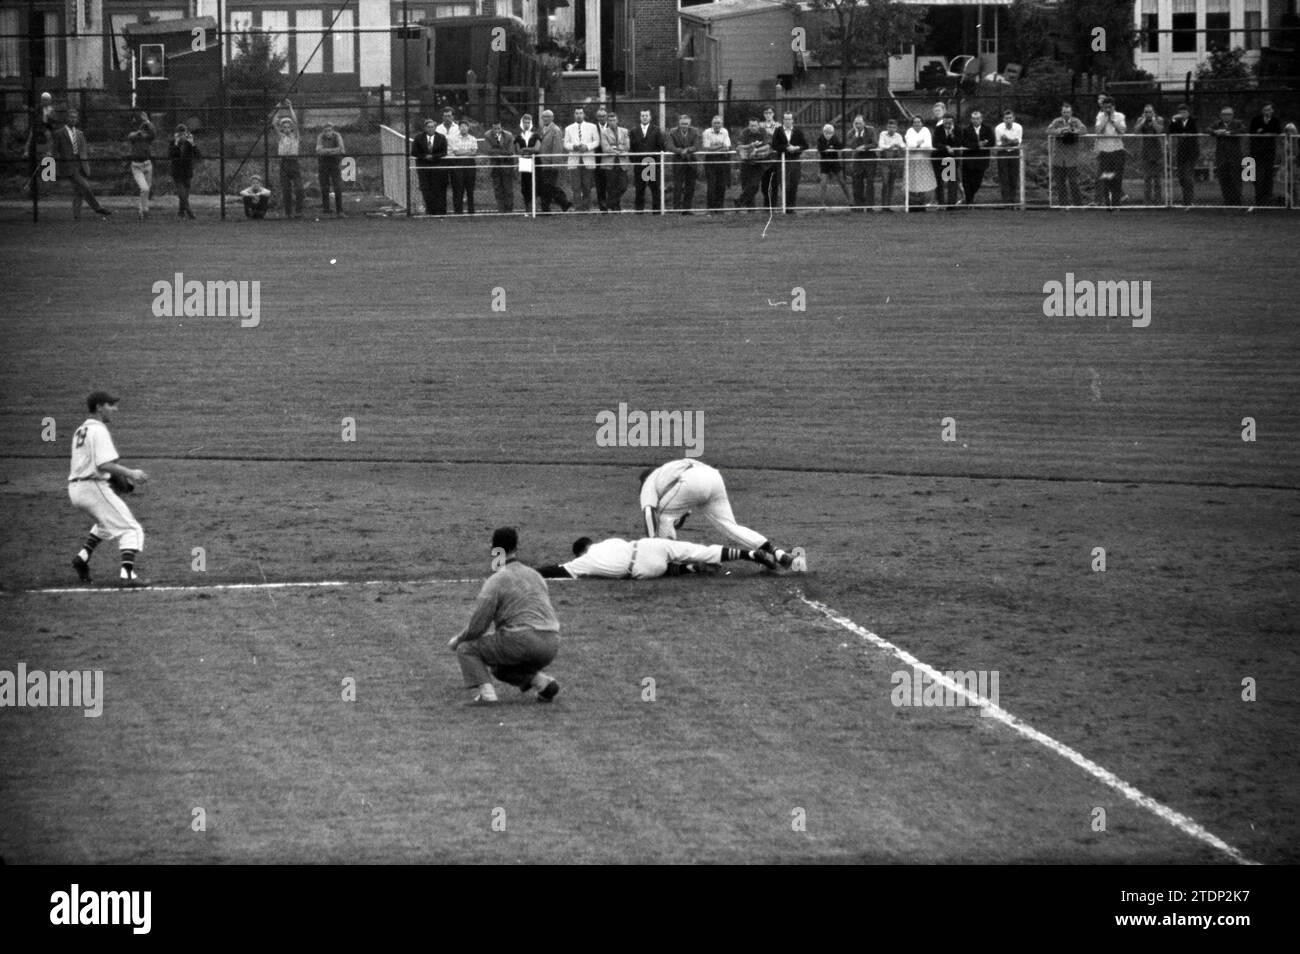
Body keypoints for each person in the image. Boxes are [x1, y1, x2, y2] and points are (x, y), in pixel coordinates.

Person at [448, 527, 561, 705]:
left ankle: (487, 696)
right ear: (517, 546)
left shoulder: (497, 580)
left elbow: (478, 626)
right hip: (551, 643)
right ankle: (544, 685)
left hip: (523, 640)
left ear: (493, 549)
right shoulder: (536, 575)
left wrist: (458, 640)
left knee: (467, 649)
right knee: (500, 669)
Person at [638, 458, 805, 571]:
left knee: (661, 516)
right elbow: (678, 520)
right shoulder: (668, 472)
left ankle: (667, 560)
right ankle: (776, 553)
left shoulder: (650, 483)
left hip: (691, 481)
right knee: (730, 526)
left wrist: (652, 543)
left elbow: (648, 514)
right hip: (713, 477)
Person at [67, 391, 150, 588]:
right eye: (110, 405)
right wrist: (131, 473)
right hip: (92, 487)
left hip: (76, 490)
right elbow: (104, 464)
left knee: (106, 523)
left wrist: (117, 482)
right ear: (98, 407)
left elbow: (94, 463)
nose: (115, 409)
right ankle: (127, 575)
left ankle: (82, 557)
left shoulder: (81, 430)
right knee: (131, 529)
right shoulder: (98, 430)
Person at [537, 535, 778, 580]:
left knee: (660, 570)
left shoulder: (583, 562)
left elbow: (554, 571)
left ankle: (691, 570)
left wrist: (530, 572)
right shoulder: (608, 542)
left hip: (641, 568)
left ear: (581, 551)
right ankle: (747, 554)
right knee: (700, 549)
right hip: (648, 545)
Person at [52, 109, 111, 219]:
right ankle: (97, 208)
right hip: (69, 166)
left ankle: (77, 216)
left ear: (77, 119)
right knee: (85, 186)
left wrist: (86, 165)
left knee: (79, 191)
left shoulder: (80, 134)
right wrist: (52, 167)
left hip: (80, 165)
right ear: (67, 118)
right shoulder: (59, 133)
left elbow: (83, 150)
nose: (73, 119)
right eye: (71, 117)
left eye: (75, 117)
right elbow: (54, 151)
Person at [1047, 103, 1087, 206]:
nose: (1066, 114)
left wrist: (1072, 131)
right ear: (1061, 112)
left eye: (1068, 112)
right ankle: (1063, 205)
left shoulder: (1076, 121)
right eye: (1064, 112)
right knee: (1060, 183)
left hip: (1071, 158)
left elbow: (1084, 130)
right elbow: (1048, 130)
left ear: (1071, 112)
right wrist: (1060, 131)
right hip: (1058, 157)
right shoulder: (1057, 121)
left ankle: (1078, 205)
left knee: (1073, 182)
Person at [628, 108, 665, 212]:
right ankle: (639, 210)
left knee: (654, 187)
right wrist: (635, 160)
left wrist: (654, 159)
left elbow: (661, 146)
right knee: (640, 187)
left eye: (646, 115)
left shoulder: (656, 130)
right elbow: (631, 147)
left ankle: (656, 210)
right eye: (643, 115)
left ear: (650, 117)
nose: (644, 117)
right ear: (640, 117)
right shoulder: (634, 130)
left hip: (652, 163)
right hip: (640, 163)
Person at [563, 106, 599, 211]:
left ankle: (586, 206)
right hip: (574, 160)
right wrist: (574, 147)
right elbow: (566, 144)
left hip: (588, 159)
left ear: (584, 114)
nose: (579, 115)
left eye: (580, 113)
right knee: (576, 186)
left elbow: (596, 141)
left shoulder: (592, 127)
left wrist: (587, 147)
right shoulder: (568, 128)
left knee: (587, 185)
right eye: (577, 113)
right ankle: (578, 207)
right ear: (574, 115)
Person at [272, 100, 304, 218]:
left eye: (288, 126)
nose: (286, 128)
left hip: (294, 162)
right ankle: (288, 212)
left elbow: (296, 123)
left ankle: (299, 211)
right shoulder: (281, 137)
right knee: (286, 190)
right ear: (282, 128)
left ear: (291, 127)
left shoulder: (295, 136)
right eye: (284, 126)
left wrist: (290, 108)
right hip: (284, 163)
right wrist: (278, 110)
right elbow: (274, 123)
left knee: (299, 188)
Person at [1093, 96, 1127, 207]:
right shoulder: (1100, 116)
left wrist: (1112, 121)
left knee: (1117, 179)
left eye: (1109, 107)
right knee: (1107, 178)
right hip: (1105, 152)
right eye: (1105, 107)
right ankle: (1108, 204)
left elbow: (1122, 131)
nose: (1107, 109)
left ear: (1113, 106)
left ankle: (1116, 204)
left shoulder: (1120, 116)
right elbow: (1098, 131)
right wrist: (1105, 119)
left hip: (1117, 151)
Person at [771, 112, 808, 212]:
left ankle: (792, 207)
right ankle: (786, 206)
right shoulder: (778, 131)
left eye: (789, 119)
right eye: (786, 119)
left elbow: (805, 145)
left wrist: (796, 148)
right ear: (783, 120)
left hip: (795, 160)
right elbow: (774, 145)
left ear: (792, 120)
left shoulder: (798, 132)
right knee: (784, 183)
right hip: (782, 160)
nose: (788, 121)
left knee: (794, 182)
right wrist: (786, 148)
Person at [1210, 106, 1247, 206]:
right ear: (1221, 115)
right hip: (1222, 155)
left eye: (1229, 114)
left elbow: (1243, 130)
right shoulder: (1218, 124)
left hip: (1235, 155)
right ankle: (1227, 201)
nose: (1226, 116)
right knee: (1223, 178)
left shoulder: (1237, 123)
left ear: (1232, 115)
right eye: (1224, 114)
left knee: (1236, 178)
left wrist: (1228, 133)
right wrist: (1216, 132)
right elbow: (1208, 130)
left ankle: (1237, 201)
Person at [1247, 102, 1282, 207]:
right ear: (1262, 111)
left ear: (1272, 111)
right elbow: (1253, 131)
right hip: (1257, 151)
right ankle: (1259, 199)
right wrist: (1262, 133)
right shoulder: (1256, 120)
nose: (1267, 112)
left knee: (1268, 175)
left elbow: (1277, 131)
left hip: (1269, 151)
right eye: (1265, 110)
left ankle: (1268, 198)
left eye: (1269, 109)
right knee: (1259, 175)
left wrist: (1263, 132)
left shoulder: (1275, 120)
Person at [536, 109, 571, 212]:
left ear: (552, 118)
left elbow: (557, 148)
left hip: (550, 165)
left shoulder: (556, 130)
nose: (545, 119)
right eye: (544, 117)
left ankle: (563, 202)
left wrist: (555, 165)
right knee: (545, 187)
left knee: (548, 187)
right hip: (542, 164)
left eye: (547, 116)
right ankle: (548, 208)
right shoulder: (543, 129)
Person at [411, 118, 448, 215]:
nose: (430, 129)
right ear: (425, 128)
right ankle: (430, 210)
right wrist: (424, 156)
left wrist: (434, 156)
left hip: (437, 167)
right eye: (428, 127)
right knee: (426, 189)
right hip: (423, 167)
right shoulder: (418, 138)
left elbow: (444, 152)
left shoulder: (441, 138)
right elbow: (414, 152)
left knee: (437, 188)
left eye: (432, 127)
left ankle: (439, 211)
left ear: (435, 127)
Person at [667, 113, 702, 213]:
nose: (684, 126)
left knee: (690, 186)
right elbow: (669, 146)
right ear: (679, 123)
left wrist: (688, 150)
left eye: (686, 124)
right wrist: (679, 151)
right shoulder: (672, 132)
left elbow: (696, 146)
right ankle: (676, 209)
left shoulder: (695, 131)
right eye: (682, 123)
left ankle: (687, 209)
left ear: (689, 124)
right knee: (677, 186)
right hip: (678, 161)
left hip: (691, 162)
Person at [959, 109, 995, 206]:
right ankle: (969, 201)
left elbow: (992, 142)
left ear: (981, 119)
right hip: (968, 159)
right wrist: (977, 145)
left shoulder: (987, 129)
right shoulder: (966, 130)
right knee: (967, 181)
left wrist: (984, 145)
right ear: (971, 120)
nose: (976, 120)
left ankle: (969, 198)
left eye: (978, 118)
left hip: (981, 160)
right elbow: (964, 142)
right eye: (974, 119)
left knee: (977, 182)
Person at [22, 92, 55, 196]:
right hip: (36, 143)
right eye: (43, 99)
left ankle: (47, 191)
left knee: (47, 166)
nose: (44, 101)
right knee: (34, 168)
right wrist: (27, 150)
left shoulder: (51, 113)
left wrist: (49, 149)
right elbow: (31, 135)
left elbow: (51, 132)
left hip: (45, 143)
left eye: (46, 99)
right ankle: (33, 190)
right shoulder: (37, 115)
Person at [125, 110, 156, 220]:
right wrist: (140, 130)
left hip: (147, 164)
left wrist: (147, 121)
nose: (144, 131)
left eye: (145, 129)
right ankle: (145, 210)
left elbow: (153, 133)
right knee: (144, 188)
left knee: (146, 189)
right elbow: (131, 136)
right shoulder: (135, 136)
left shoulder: (147, 137)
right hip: (136, 166)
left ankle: (141, 211)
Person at [734, 117, 771, 209]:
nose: (753, 127)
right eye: (751, 125)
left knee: (754, 184)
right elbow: (739, 147)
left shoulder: (763, 132)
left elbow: (768, 146)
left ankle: (740, 201)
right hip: (746, 161)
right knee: (746, 185)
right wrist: (750, 146)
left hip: (759, 162)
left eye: (755, 125)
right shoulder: (744, 132)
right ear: (748, 125)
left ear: (758, 125)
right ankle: (749, 208)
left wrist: (756, 150)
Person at [482, 117, 516, 214]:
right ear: (492, 128)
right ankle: (501, 209)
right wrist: (501, 152)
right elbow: (488, 151)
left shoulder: (509, 135)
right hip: (495, 165)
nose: (496, 130)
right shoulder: (487, 135)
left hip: (507, 164)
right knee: (498, 188)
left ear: (502, 128)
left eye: (498, 128)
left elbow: (510, 151)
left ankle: (509, 209)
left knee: (508, 188)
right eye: (494, 129)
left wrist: (496, 150)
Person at [1167, 103, 1200, 206]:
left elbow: (1194, 131)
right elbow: (1170, 131)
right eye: (1180, 112)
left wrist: (1185, 133)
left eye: (1184, 112)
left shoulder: (1193, 121)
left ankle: (1189, 201)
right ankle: (1186, 200)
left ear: (1188, 113)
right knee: (1181, 177)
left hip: (1191, 152)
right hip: (1181, 153)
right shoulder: (1176, 122)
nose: (1182, 114)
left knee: (1188, 176)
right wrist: (1173, 119)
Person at [597, 111, 630, 211]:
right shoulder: (604, 132)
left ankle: (607, 203)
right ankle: (616, 207)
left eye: (614, 120)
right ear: (608, 121)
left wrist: (616, 147)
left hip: (622, 162)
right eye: (610, 120)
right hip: (609, 163)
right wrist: (618, 149)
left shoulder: (624, 131)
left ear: (617, 120)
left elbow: (627, 146)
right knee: (611, 186)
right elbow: (605, 148)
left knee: (623, 186)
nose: (612, 122)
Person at [844, 115, 877, 211]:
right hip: (857, 160)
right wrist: (856, 135)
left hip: (869, 159)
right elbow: (850, 145)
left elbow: (875, 143)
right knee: (857, 183)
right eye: (856, 123)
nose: (857, 125)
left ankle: (869, 206)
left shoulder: (871, 130)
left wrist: (864, 146)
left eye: (859, 123)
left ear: (864, 123)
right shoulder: (851, 133)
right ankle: (859, 206)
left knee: (870, 182)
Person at [1133, 104, 1165, 204]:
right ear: (1143, 113)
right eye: (1146, 112)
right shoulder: (1140, 120)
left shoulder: (1159, 119)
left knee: (1157, 179)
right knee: (1147, 178)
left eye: (1150, 112)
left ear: (1153, 112)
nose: (1148, 114)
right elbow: (1136, 131)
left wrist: (1153, 121)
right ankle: (1147, 201)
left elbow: (1160, 130)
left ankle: (1158, 200)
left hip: (1157, 152)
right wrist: (1142, 121)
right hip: (1146, 152)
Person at [447, 117, 478, 214]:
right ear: (459, 128)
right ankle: (458, 211)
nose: (463, 128)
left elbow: (474, 152)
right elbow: (456, 152)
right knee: (458, 189)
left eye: (465, 126)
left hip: (470, 165)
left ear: (468, 128)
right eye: (461, 126)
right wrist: (468, 152)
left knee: (470, 189)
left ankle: (471, 211)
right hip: (458, 165)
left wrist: (464, 152)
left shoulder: (473, 139)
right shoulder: (453, 139)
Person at [931, 113, 963, 208]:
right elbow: (935, 143)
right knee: (939, 182)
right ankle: (941, 204)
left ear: (952, 122)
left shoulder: (957, 129)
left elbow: (959, 142)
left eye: (949, 123)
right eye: (945, 122)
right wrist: (946, 147)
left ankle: (951, 204)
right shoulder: (938, 129)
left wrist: (952, 136)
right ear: (943, 121)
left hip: (951, 159)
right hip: (939, 158)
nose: (947, 125)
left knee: (952, 181)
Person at [168, 124, 200, 219]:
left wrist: (193, 144)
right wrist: (176, 144)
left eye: (183, 134)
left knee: (185, 194)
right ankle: (189, 212)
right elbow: (171, 155)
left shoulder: (189, 144)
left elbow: (198, 156)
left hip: (187, 171)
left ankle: (181, 212)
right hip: (177, 172)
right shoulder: (173, 143)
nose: (182, 136)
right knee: (182, 193)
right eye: (180, 134)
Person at [904, 114, 935, 210]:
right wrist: (919, 143)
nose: (917, 124)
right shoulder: (909, 131)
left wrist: (916, 145)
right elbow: (910, 145)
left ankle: (923, 204)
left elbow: (928, 145)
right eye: (915, 122)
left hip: (924, 161)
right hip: (912, 161)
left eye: (919, 122)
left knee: (923, 182)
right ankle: (912, 205)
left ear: (922, 123)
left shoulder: (926, 130)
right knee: (912, 182)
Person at [701, 114, 731, 212]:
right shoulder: (706, 132)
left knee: (721, 185)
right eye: (715, 123)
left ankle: (720, 208)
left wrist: (715, 147)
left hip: (722, 160)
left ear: (721, 124)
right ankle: (710, 208)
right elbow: (707, 148)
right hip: (710, 160)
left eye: (719, 123)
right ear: (711, 124)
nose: (717, 125)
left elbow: (727, 147)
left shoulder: (725, 131)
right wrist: (720, 146)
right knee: (711, 185)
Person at [993, 108, 1023, 206]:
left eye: (1010, 118)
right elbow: (1000, 144)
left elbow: (1017, 142)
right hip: (1003, 153)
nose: (1008, 120)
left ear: (1013, 118)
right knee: (1004, 177)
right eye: (1006, 118)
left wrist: (1007, 141)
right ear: (1003, 119)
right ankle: (1006, 202)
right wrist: (1010, 142)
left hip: (1014, 153)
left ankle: (1013, 200)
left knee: (1013, 177)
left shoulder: (1018, 127)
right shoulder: (998, 128)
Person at [815, 123, 850, 206]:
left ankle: (850, 200)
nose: (828, 135)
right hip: (824, 163)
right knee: (823, 183)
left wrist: (830, 148)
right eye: (826, 133)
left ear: (833, 133)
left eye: (830, 133)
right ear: (823, 132)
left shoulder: (835, 138)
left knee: (842, 181)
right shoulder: (820, 139)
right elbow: (820, 148)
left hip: (835, 162)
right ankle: (822, 203)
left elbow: (840, 146)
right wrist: (831, 148)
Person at [315, 121, 346, 216]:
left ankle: (339, 210)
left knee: (337, 186)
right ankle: (326, 208)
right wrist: (334, 150)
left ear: (333, 130)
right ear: (323, 132)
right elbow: (318, 150)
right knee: (324, 186)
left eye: (329, 130)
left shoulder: (337, 136)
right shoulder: (320, 137)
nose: (328, 132)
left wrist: (327, 151)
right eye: (326, 131)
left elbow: (342, 149)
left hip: (334, 163)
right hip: (323, 163)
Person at [877, 118, 906, 209]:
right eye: (889, 127)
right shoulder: (883, 134)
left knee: (891, 183)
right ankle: (883, 205)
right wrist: (891, 146)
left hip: (894, 161)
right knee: (885, 182)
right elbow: (881, 145)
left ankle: (888, 205)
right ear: (887, 127)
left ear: (896, 128)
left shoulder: (898, 136)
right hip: (885, 161)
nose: (891, 129)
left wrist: (898, 146)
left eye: (893, 127)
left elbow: (903, 145)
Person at [515, 114, 540, 212]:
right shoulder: (518, 136)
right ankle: (527, 208)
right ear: (522, 123)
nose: (526, 124)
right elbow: (518, 151)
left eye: (528, 122)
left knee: (535, 184)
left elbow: (537, 149)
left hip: (535, 162)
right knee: (525, 185)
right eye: (525, 122)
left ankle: (535, 207)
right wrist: (529, 150)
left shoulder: (536, 135)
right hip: (524, 161)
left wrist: (525, 149)